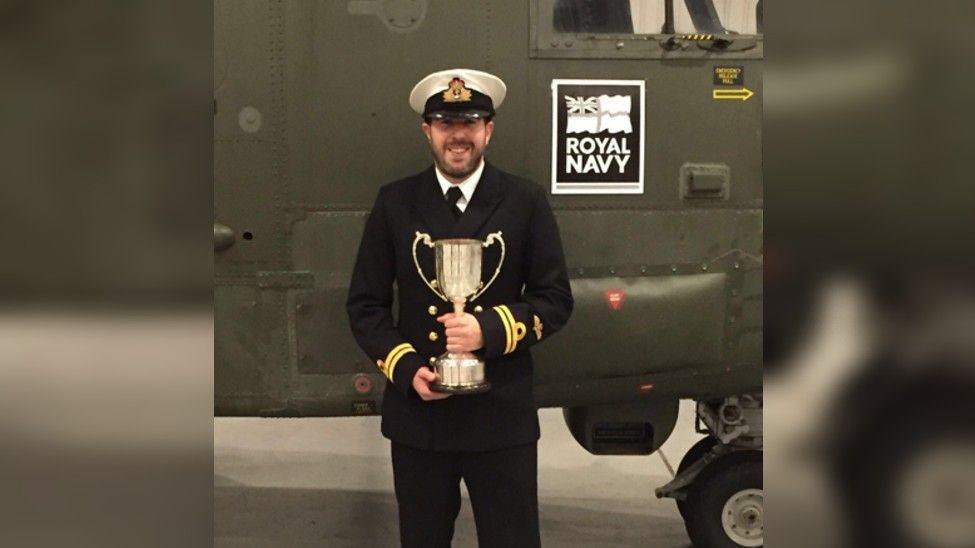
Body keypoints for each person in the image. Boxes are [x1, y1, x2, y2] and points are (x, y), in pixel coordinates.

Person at [346, 68, 573, 548]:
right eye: (445, 123)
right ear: (427, 131)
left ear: (488, 130)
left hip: (501, 417)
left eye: (470, 122)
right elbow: (365, 305)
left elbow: (555, 300)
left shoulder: (524, 201)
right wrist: (407, 369)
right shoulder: (395, 203)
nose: (458, 136)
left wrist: (487, 330)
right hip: (420, 418)